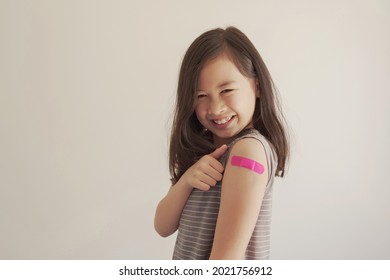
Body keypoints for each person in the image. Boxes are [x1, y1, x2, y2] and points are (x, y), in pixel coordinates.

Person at [154, 26, 289, 260]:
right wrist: (187, 179)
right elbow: (162, 226)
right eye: (201, 96)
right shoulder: (202, 153)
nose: (215, 108)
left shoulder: (248, 151)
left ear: (257, 86)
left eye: (226, 90)